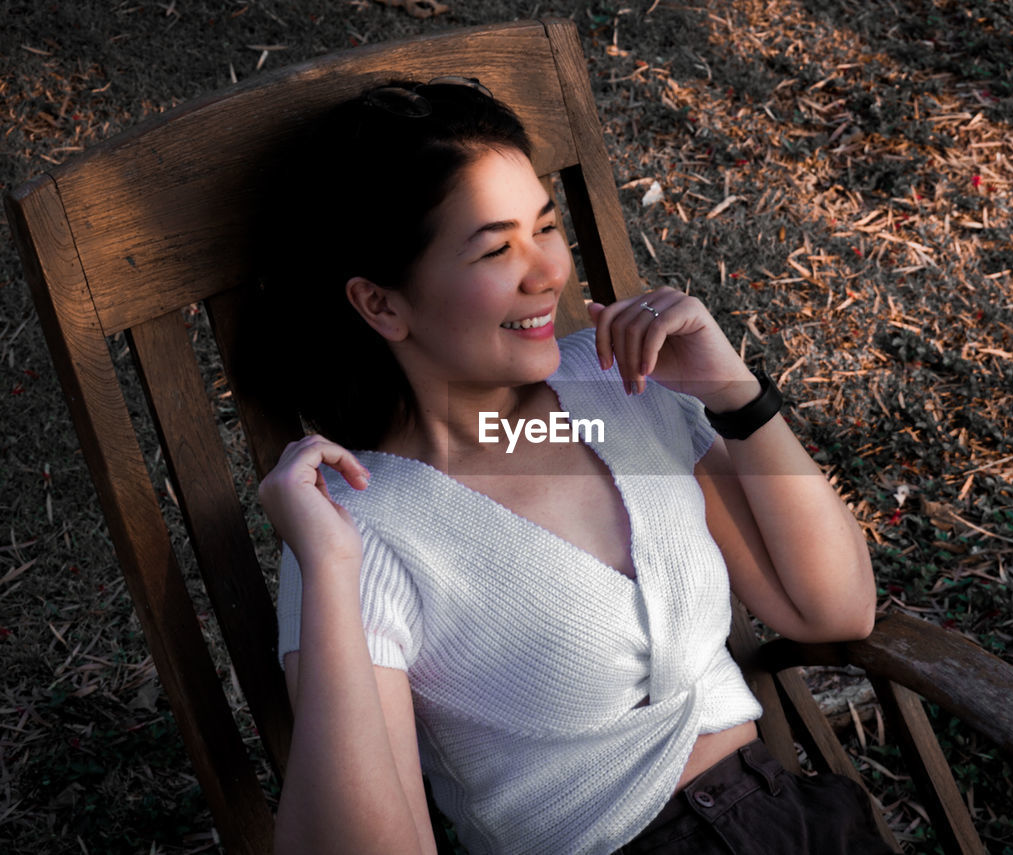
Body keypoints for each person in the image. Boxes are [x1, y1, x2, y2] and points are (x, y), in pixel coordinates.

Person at [254, 79, 889, 855]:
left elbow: (835, 610)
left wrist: (737, 397)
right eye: (496, 248)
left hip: (793, 819)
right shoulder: (364, 525)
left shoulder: (615, 386)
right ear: (382, 305)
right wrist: (325, 573)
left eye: (545, 227)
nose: (548, 271)